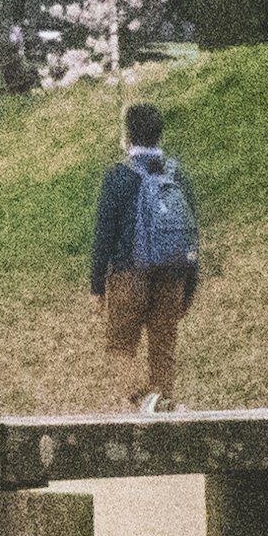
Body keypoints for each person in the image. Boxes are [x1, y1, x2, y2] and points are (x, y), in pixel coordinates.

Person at [88, 102, 200, 410]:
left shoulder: (118, 177)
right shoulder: (178, 175)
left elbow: (104, 235)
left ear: (127, 135)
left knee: (120, 347)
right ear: (159, 134)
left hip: (129, 274)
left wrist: (97, 288)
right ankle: (163, 407)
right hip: (174, 273)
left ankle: (143, 400)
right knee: (163, 350)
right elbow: (191, 231)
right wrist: (190, 284)